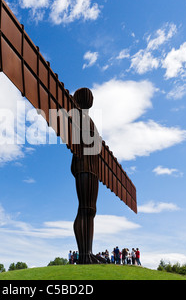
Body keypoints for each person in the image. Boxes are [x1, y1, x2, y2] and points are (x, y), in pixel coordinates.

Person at [71, 88, 102, 264]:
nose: (90, 98)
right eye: (87, 95)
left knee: (91, 210)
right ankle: (83, 255)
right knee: (84, 208)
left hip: (93, 170)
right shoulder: (76, 118)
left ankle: (88, 252)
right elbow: (77, 143)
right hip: (83, 167)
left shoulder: (90, 122)